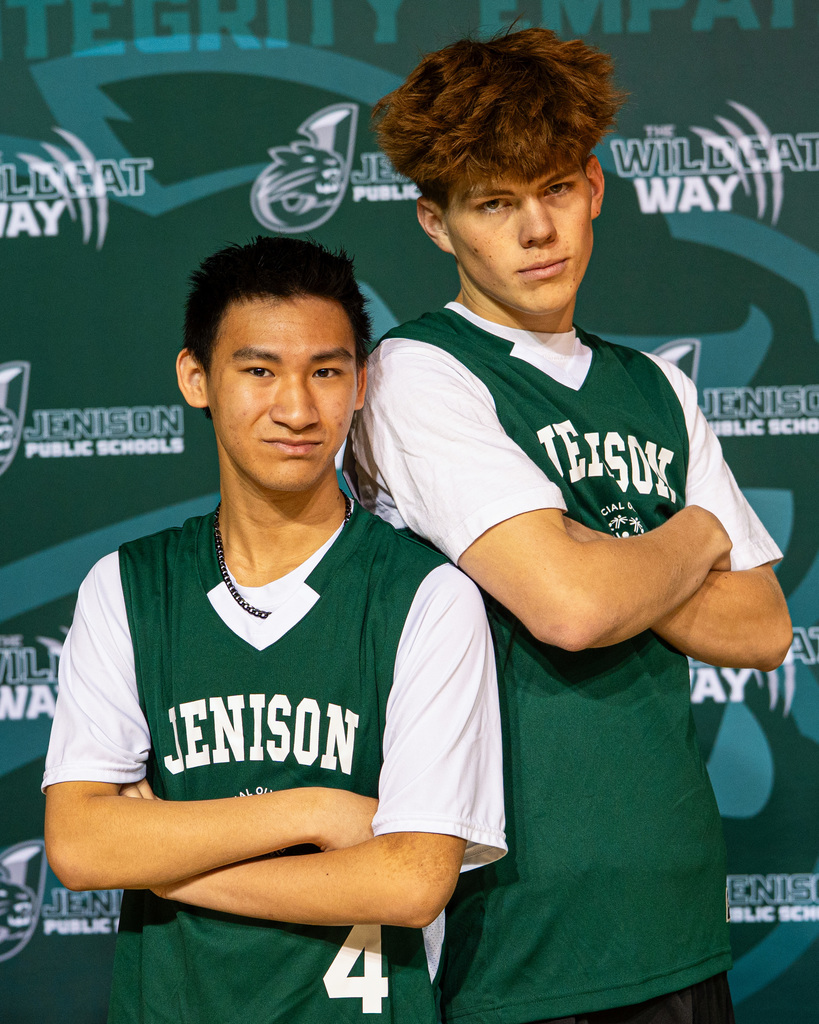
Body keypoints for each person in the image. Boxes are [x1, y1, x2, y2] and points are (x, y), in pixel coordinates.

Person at [351, 28, 793, 1024]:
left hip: (674, 906)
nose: (536, 230)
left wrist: (587, 544)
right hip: (515, 923)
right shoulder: (421, 373)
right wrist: (690, 538)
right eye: (495, 204)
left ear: (595, 187)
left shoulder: (657, 388)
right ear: (436, 222)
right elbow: (568, 607)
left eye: (553, 189)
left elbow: (763, 628)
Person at [42, 236, 507, 1024]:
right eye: (259, 371)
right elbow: (81, 846)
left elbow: (409, 881)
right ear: (197, 379)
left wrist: (164, 862)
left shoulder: (428, 596)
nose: (296, 408)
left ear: (360, 384)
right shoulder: (127, 586)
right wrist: (316, 810)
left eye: (325, 372)